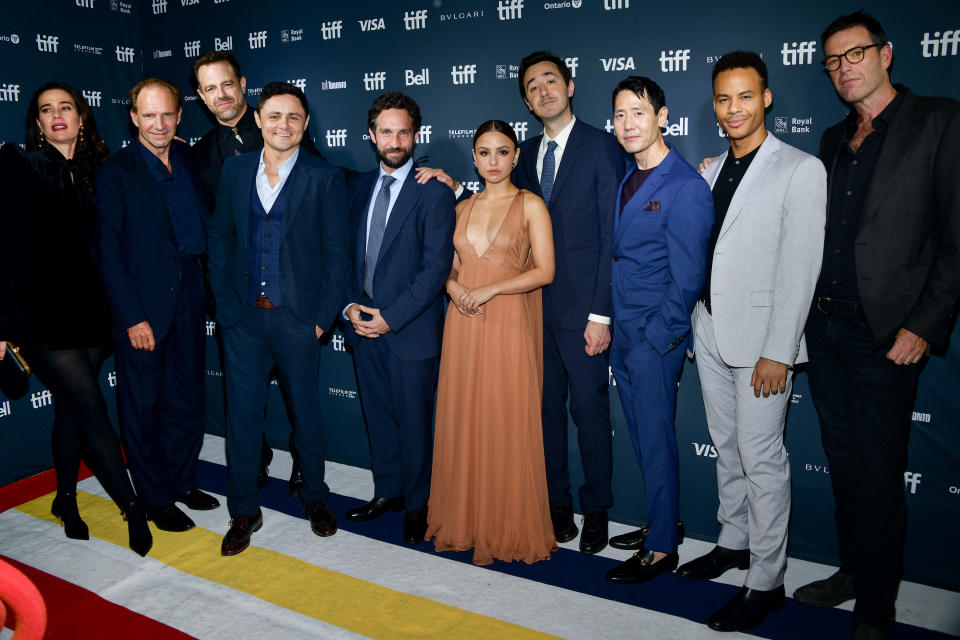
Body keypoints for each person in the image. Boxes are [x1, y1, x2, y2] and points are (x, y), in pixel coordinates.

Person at [792, 12, 960, 640]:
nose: (844, 68)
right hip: (826, 329)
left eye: (855, 54)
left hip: (887, 335)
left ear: (886, 54)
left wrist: (923, 324)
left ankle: (877, 605)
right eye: (833, 61)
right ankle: (854, 572)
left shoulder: (939, 122)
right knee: (842, 462)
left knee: (880, 470)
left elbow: (955, 241)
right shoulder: (834, 138)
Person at [679, 52, 826, 632]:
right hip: (711, 328)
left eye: (744, 96)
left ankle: (766, 581)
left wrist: (779, 350)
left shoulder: (800, 169)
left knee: (763, 459)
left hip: (764, 341)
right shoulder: (711, 169)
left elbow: (800, 268)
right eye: (723, 98)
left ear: (766, 98)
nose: (733, 108)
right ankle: (734, 541)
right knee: (726, 444)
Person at [0, 82, 152, 557]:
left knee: (70, 409)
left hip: (91, 310)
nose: (57, 115)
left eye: (66, 107)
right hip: (44, 314)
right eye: (47, 110)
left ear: (82, 118)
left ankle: (66, 499)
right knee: (91, 407)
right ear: (39, 123)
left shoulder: (100, 173)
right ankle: (131, 507)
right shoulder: (18, 163)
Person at [208, 81, 349, 555]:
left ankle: (314, 496)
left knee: (305, 415)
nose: (283, 125)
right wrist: (227, 309)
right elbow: (221, 238)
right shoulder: (235, 170)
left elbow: (337, 258)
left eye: (293, 117)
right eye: (274, 116)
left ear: (305, 124)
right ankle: (244, 510)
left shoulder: (324, 176)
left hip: (297, 322)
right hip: (243, 321)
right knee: (243, 418)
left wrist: (318, 321)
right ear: (257, 119)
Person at [426, 120, 556, 565]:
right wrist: (454, 288)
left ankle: (506, 526)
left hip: (507, 324)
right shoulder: (462, 209)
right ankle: (464, 520)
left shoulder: (531, 205)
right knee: (466, 417)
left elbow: (545, 271)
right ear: (475, 157)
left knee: (506, 419)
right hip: (463, 323)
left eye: (503, 152)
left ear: (517, 156)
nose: (494, 161)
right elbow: (442, 266)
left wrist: (488, 290)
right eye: (484, 152)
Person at [511, 51, 625, 554]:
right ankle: (556, 502)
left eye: (550, 80)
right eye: (532, 86)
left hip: (584, 312)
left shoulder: (602, 146)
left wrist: (601, 313)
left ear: (571, 85)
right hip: (534, 310)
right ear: (526, 100)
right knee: (544, 412)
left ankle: (597, 506)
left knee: (589, 409)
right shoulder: (523, 152)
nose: (543, 91)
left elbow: (610, 237)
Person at [95, 78, 219, 533]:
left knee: (186, 397)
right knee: (144, 405)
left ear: (180, 115)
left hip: (190, 294)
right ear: (133, 118)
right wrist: (131, 317)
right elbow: (107, 253)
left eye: (167, 114)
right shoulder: (116, 172)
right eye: (149, 116)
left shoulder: (188, 156)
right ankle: (153, 497)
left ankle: (182, 480)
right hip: (143, 306)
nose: (160, 124)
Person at [603, 76, 713, 584]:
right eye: (621, 114)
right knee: (645, 441)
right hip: (621, 335)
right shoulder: (626, 178)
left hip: (653, 338)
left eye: (639, 113)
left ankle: (663, 547)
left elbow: (690, 277)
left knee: (657, 438)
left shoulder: (686, 186)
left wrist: (654, 341)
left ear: (662, 116)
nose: (629, 124)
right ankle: (662, 522)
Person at [343, 92, 456, 544]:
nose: (395, 140)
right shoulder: (355, 187)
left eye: (403, 131)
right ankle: (386, 491)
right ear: (371, 136)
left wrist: (390, 317)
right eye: (386, 131)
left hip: (409, 329)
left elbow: (435, 269)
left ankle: (419, 502)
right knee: (379, 416)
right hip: (362, 326)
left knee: (415, 423)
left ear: (416, 135)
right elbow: (344, 257)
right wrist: (350, 307)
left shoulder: (433, 191)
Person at [191, 50, 304, 496]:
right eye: (210, 88)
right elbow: (210, 233)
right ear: (201, 97)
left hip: (291, 291)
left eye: (227, 84)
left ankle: (304, 461)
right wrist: (223, 301)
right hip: (239, 300)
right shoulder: (197, 156)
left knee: (299, 394)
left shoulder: (281, 127)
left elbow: (323, 189)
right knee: (243, 396)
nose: (221, 95)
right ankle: (253, 459)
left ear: (242, 84)